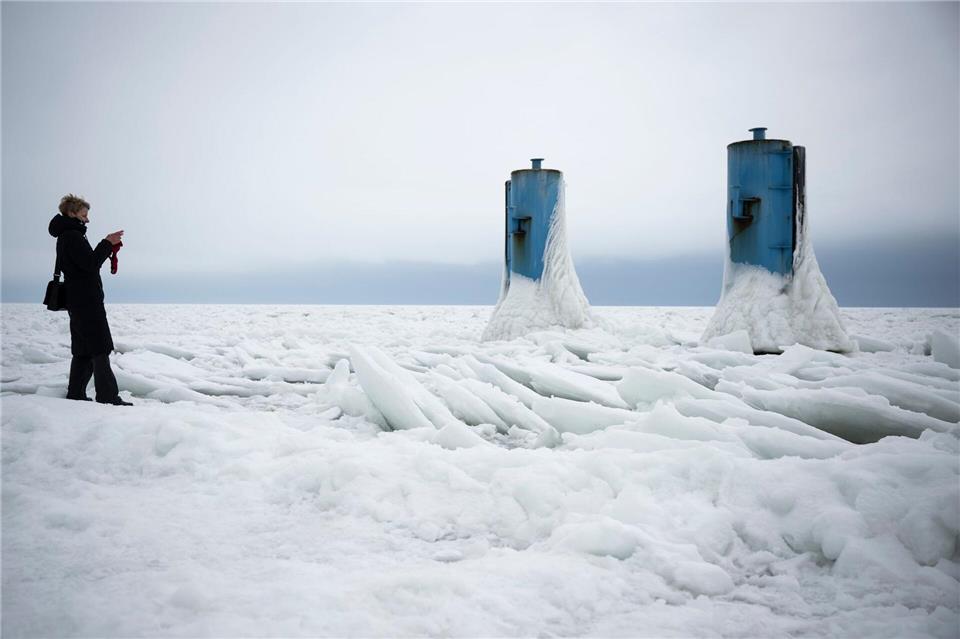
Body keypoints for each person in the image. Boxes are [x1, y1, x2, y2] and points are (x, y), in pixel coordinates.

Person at [47, 194, 131, 405]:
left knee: (84, 350)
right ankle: (108, 397)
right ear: (72, 213)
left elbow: (85, 264)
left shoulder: (67, 235)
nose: (87, 219)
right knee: (100, 348)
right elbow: (90, 264)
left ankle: (75, 394)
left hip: (78, 300)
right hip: (86, 301)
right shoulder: (72, 236)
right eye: (84, 215)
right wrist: (106, 243)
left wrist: (106, 245)